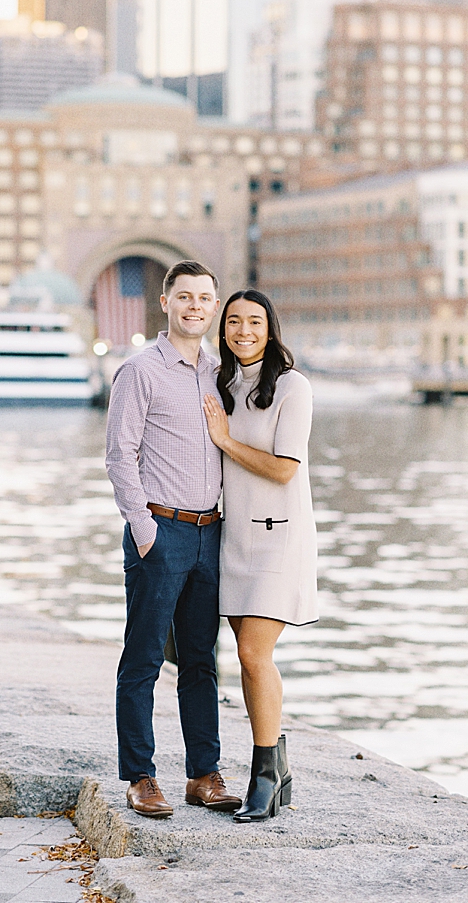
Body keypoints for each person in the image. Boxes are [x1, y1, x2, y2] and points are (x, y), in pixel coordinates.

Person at [103, 259, 241, 818]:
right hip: (160, 533)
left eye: (204, 298)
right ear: (166, 302)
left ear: (214, 305)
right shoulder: (140, 371)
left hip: (212, 534)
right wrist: (143, 531)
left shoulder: (220, 373)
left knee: (201, 662)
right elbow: (119, 456)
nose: (195, 307)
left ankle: (203, 774)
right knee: (141, 660)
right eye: (184, 296)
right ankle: (140, 777)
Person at [201, 289, 318, 822]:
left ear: (270, 329)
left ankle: (265, 776)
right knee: (247, 663)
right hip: (234, 540)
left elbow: (284, 468)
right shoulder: (221, 384)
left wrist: (224, 441)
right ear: (223, 330)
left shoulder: (293, 388)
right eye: (233, 321)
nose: (243, 330)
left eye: (254, 322)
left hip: (280, 537)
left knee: (253, 653)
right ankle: (278, 766)